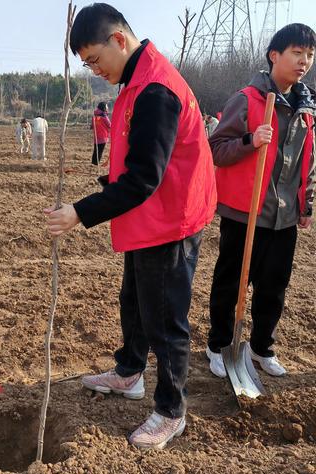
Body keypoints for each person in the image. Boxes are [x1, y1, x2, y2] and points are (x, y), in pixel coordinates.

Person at [44, 3, 216, 450]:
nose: (94, 70)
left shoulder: (156, 89)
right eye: (85, 64)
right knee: (134, 301)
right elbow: (134, 159)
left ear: (119, 40)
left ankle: (171, 411)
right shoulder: (135, 80)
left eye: (95, 60)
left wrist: (82, 210)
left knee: (165, 318)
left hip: (170, 219)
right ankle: (129, 372)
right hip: (148, 215)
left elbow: (144, 178)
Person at [206, 24, 316, 379]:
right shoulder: (247, 99)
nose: (304, 62)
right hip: (244, 212)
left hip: (283, 216)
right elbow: (216, 150)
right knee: (232, 281)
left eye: (310, 55)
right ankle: (219, 345)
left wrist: (307, 204)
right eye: (297, 53)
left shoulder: (307, 107)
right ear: (275, 55)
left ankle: (260, 347)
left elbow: (308, 160)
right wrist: (251, 140)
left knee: (274, 285)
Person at [91, 101, 111, 165]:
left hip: (96, 136)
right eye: (107, 107)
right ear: (104, 107)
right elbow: (110, 125)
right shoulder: (104, 116)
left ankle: (93, 163)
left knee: (96, 150)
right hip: (103, 136)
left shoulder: (94, 115)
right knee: (100, 151)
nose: (107, 108)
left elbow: (92, 126)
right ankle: (96, 164)